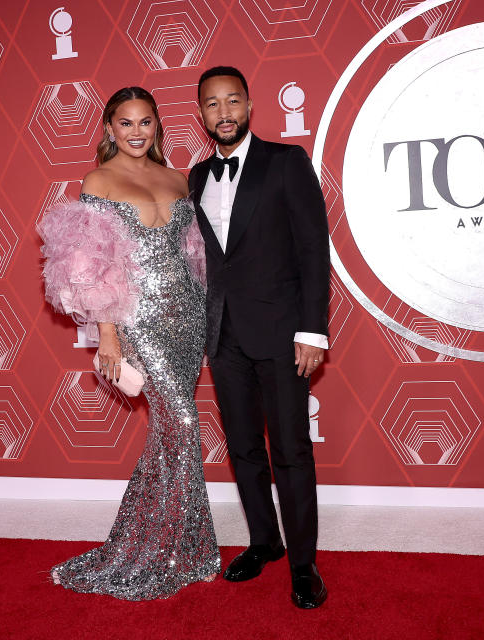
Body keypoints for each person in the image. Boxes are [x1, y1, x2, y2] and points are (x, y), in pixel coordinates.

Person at [38, 86, 220, 600]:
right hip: (136, 317)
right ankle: (182, 548)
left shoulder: (177, 177)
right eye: (126, 123)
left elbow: (194, 258)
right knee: (184, 420)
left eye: (145, 123)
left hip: (187, 314)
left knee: (168, 432)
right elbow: (94, 266)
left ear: (157, 126)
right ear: (109, 128)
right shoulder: (99, 180)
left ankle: (174, 545)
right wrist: (109, 336)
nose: (136, 132)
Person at [188, 66, 330, 609]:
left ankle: (303, 563)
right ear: (200, 113)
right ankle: (264, 542)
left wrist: (312, 329)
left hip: (282, 332)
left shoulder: (286, 163)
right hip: (222, 335)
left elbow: (313, 253)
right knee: (245, 451)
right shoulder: (196, 178)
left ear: (249, 105)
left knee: (291, 451)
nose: (222, 113)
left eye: (231, 102)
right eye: (211, 105)